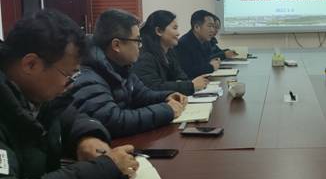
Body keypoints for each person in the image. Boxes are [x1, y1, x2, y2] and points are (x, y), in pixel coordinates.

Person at [0, 10, 138, 179]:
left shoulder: (35, 92)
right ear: (31, 64)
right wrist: (105, 170)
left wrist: (86, 137)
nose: (70, 84)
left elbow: (66, 115)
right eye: (68, 74)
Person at [70, 9, 186, 138]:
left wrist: (167, 96)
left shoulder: (121, 66)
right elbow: (115, 121)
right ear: (116, 45)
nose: (140, 46)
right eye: (137, 40)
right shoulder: (88, 77)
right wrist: (167, 111)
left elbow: (143, 95)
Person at [133, 10, 209, 95]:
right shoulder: (145, 57)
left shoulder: (169, 52)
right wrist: (190, 85)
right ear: (159, 31)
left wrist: (183, 84)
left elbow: (182, 77)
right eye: (174, 28)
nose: (178, 33)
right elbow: (153, 87)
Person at [175, 10, 221, 78]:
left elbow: (207, 62)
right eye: (209, 26)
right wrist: (211, 67)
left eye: (213, 27)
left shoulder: (206, 42)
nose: (213, 30)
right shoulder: (183, 44)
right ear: (197, 27)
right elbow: (187, 72)